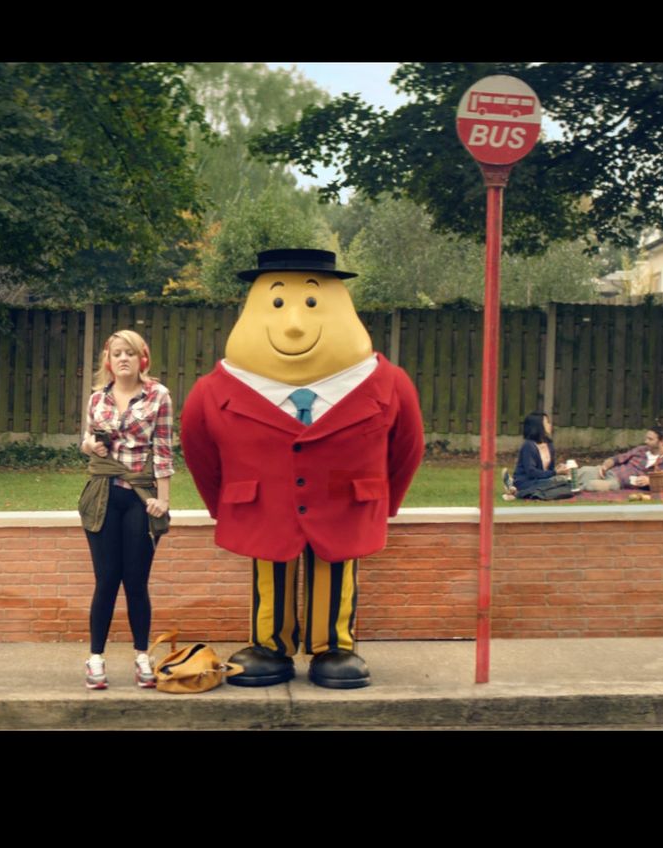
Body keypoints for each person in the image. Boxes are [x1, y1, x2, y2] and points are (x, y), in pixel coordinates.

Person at [181, 248, 425, 690]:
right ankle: (269, 644)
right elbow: (200, 453)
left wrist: (384, 499)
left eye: (311, 303)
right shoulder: (214, 391)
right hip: (264, 506)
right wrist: (225, 503)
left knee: (337, 567)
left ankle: (334, 644)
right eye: (277, 303)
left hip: (345, 504)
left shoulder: (388, 384)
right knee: (269, 566)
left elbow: (407, 448)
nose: (293, 323)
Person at [78, 330, 173, 690]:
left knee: (135, 582)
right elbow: (87, 440)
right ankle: (96, 658)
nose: (123, 359)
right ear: (109, 360)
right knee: (106, 580)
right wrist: (90, 445)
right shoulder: (97, 398)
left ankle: (141, 656)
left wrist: (162, 500)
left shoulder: (158, 396)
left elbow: (163, 449)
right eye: (117, 353)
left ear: (142, 359)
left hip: (139, 498)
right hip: (102, 495)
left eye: (130, 353)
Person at [570, 425, 663, 491]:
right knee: (583, 471)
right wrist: (605, 466)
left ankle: (569, 489)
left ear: (662, 441)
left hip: (619, 481)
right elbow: (617, 458)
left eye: (650, 439)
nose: (646, 441)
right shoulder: (641, 449)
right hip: (610, 471)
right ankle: (557, 481)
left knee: (591, 485)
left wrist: (649, 481)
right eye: (646, 438)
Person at [508, 411, 575, 500]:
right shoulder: (528, 446)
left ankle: (533, 494)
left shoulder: (549, 444)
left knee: (568, 484)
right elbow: (531, 472)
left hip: (543, 481)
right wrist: (555, 473)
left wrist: (558, 469)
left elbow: (549, 470)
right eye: (547, 422)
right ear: (538, 426)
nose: (550, 425)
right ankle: (521, 492)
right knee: (560, 481)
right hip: (527, 481)